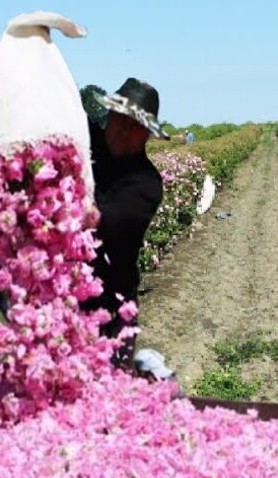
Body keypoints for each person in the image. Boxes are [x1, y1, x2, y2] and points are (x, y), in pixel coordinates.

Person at [82, 77, 169, 367]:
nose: (124, 131)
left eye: (135, 126)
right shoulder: (88, 140)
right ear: (109, 117)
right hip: (63, 305)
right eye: (120, 120)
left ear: (146, 134)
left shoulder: (145, 185)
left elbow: (96, 221)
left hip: (110, 312)